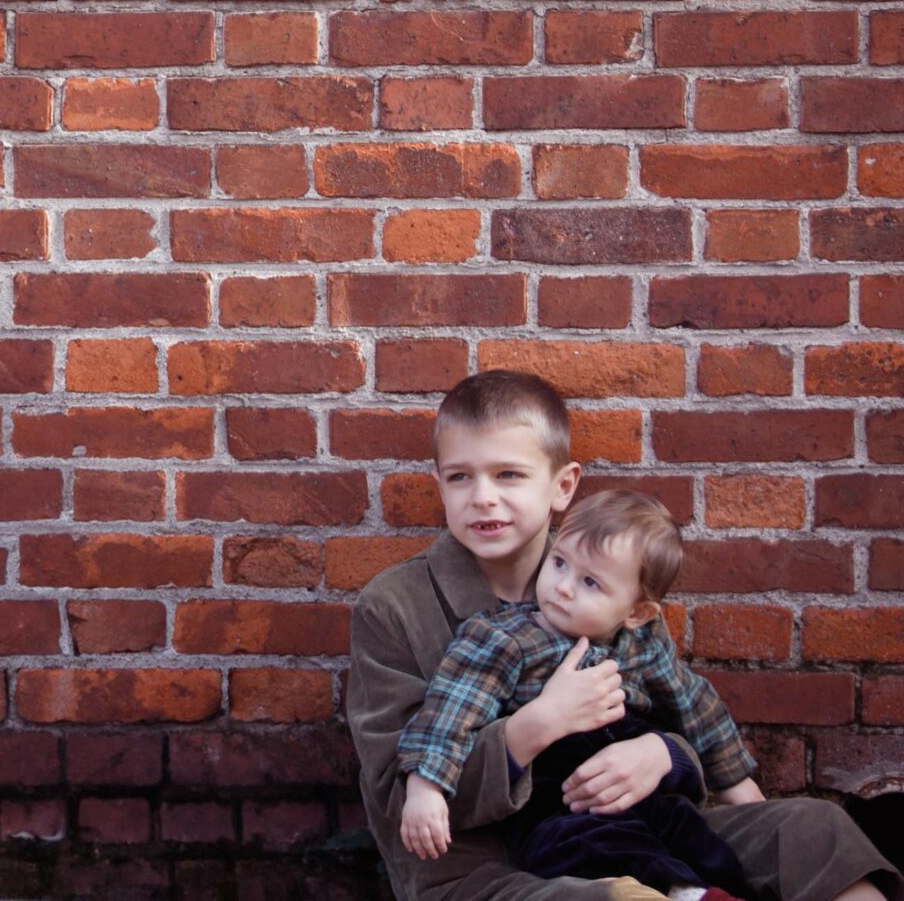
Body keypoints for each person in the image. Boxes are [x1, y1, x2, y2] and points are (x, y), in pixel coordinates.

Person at [346, 369, 901, 901]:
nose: (483, 497)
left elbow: (679, 702)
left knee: (813, 829)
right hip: (487, 868)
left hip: (645, 824)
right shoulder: (394, 608)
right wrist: (535, 726)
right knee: (605, 896)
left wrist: (664, 755)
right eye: (460, 476)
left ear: (563, 486)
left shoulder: (611, 574)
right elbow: (399, 803)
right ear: (439, 484)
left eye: (509, 474)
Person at [399, 489, 755, 899]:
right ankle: (681, 893)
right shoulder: (503, 638)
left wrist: (740, 788)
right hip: (556, 799)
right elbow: (450, 710)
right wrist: (425, 788)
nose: (563, 588)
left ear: (637, 613)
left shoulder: (640, 644)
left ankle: (708, 890)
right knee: (597, 845)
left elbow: (696, 708)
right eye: (559, 563)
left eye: (589, 582)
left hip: (635, 786)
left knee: (692, 834)